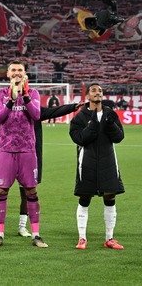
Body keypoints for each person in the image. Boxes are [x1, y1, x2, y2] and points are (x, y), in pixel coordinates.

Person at [0, 100, 82, 235]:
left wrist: (73, 107)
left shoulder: (35, 110)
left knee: (26, 190)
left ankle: (22, 225)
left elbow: (54, 111)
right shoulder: (8, 105)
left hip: (28, 155)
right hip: (6, 153)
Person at [0, 60, 46, 248]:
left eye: (20, 70)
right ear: (8, 74)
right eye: (13, 70)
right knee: (1, 190)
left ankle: (36, 234)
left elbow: (37, 115)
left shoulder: (34, 94)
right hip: (5, 150)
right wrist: (12, 100)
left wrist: (25, 95)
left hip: (27, 150)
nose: (16, 73)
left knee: (31, 190)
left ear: (25, 74)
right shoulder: (0, 94)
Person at [69, 83, 125, 250]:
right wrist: (94, 123)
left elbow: (119, 137)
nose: (97, 93)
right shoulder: (79, 118)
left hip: (108, 161)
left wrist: (110, 125)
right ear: (87, 96)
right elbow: (80, 139)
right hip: (87, 162)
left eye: (100, 90)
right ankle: (82, 238)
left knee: (110, 198)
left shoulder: (110, 114)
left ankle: (110, 239)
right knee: (85, 199)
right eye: (93, 90)